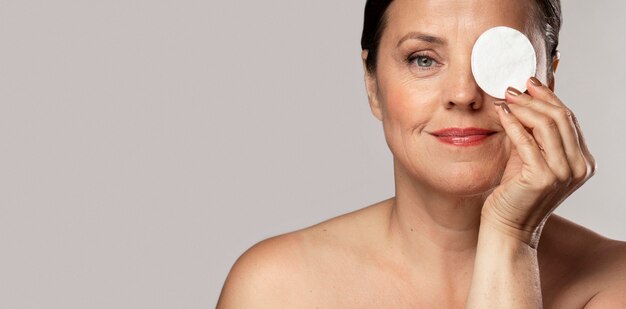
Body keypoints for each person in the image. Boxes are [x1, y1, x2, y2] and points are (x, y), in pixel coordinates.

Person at [217, 0, 626, 307]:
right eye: (423, 59)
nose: (464, 94)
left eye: (499, 60)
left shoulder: (613, 283)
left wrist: (511, 239)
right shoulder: (276, 289)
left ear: (548, 80)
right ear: (373, 85)